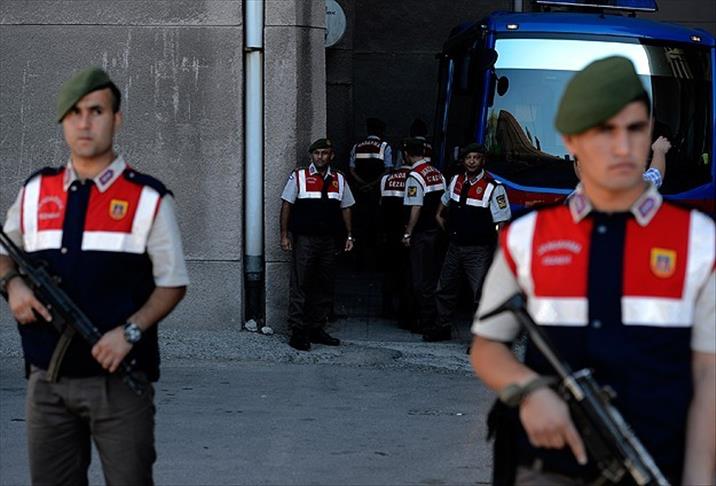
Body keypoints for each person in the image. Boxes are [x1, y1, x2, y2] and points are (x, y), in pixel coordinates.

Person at [470, 56, 715, 485]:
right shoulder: (528, 236)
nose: (621, 146)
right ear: (572, 142)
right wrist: (530, 391)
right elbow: (488, 346)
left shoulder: (699, 239)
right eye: (603, 130)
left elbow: (708, 375)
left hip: (657, 463)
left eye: (634, 129)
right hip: (545, 467)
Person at [0, 67, 189, 485]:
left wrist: (130, 332)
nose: (84, 123)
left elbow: (173, 282)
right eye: (74, 113)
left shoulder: (147, 197)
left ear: (116, 119)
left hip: (119, 382)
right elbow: (4, 256)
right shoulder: (35, 190)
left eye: (96, 111)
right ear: (63, 121)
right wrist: (13, 286)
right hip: (46, 380)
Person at [430, 143, 511, 342]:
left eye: (476, 157)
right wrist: (443, 222)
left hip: (478, 250)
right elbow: (442, 207)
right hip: (454, 247)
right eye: (468, 158)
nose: (472, 161)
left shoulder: (493, 187)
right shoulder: (455, 180)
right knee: (445, 289)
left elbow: (502, 222)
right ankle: (442, 327)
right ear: (463, 161)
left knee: (480, 295)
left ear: (483, 160)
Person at [280, 138, 355, 351]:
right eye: (316, 153)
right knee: (301, 284)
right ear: (311, 155)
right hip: (305, 239)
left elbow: (346, 207)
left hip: (329, 240)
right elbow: (287, 205)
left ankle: (316, 328)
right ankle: (297, 331)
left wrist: (349, 236)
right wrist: (284, 235)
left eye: (324, 153)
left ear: (331, 155)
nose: (320, 157)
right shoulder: (299, 176)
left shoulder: (339, 178)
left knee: (324, 285)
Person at [402, 137, 446, 336]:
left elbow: (416, 206)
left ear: (406, 154)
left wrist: (408, 232)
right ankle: (434, 318)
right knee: (433, 276)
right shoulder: (437, 173)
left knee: (420, 279)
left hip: (422, 233)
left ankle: (425, 321)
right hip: (437, 232)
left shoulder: (415, 176)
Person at [349, 118, 392, 269]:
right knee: (376, 226)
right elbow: (388, 170)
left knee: (360, 225)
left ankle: (359, 261)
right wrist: (373, 184)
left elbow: (352, 169)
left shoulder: (356, 146)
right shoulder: (384, 146)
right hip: (376, 192)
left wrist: (362, 183)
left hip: (360, 192)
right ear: (381, 131)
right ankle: (375, 263)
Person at [378, 147, 415, 327]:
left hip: (390, 231)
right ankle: (404, 312)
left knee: (390, 270)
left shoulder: (387, 178)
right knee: (407, 272)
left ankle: (386, 307)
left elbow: (381, 205)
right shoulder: (416, 178)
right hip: (408, 231)